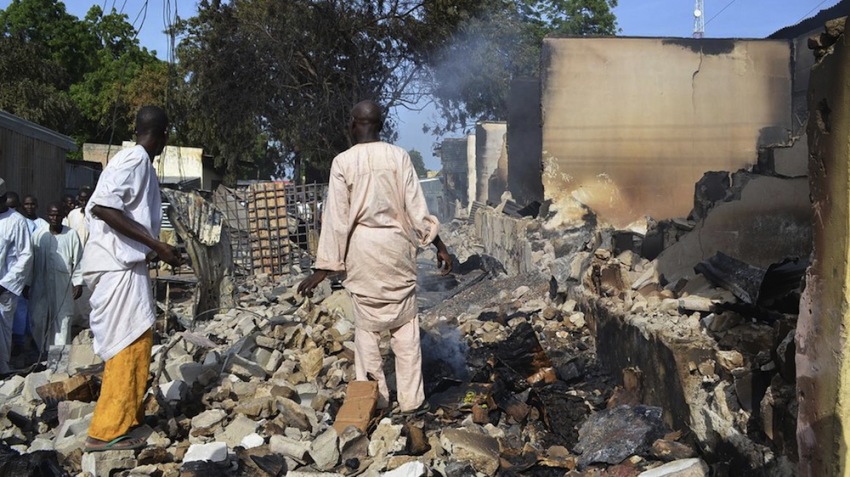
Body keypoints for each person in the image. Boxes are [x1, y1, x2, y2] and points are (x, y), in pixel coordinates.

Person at [297, 100, 452, 415]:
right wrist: (440, 246)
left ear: (353, 124)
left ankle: (376, 399)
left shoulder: (343, 162)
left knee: (367, 332)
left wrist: (324, 268)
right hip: (396, 249)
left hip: (363, 251)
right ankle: (411, 402)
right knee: (406, 329)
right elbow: (417, 210)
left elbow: (338, 219)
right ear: (381, 125)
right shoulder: (399, 157)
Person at [82, 105, 182, 452]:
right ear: (164, 134)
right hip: (117, 267)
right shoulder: (135, 161)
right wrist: (156, 245)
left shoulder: (135, 162)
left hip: (124, 265)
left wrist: (156, 250)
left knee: (138, 337)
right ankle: (106, 430)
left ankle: (128, 419)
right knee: (128, 341)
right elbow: (103, 208)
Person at [29, 203, 83, 349]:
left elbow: (78, 260)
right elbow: (30, 260)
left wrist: (78, 282)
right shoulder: (38, 234)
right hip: (40, 282)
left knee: (63, 318)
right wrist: (27, 283)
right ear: (47, 215)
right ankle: (43, 351)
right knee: (38, 318)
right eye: (52, 215)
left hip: (62, 283)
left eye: (58, 215)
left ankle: (59, 355)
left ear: (63, 216)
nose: (54, 218)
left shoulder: (71, 234)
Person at [0, 178, 34, 374]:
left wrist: (5, 284)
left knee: (3, 331)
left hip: (5, 289)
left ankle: (2, 369)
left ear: (4, 198)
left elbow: (25, 256)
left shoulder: (17, 222)